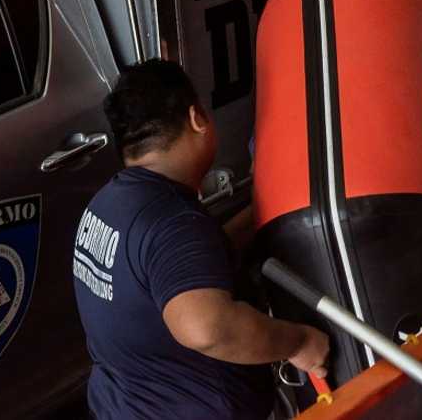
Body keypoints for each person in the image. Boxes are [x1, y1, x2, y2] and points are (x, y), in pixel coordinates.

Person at [72, 59, 329, 419]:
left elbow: (182, 268)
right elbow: (206, 329)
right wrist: (298, 342)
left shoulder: (107, 205)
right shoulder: (173, 222)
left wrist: (262, 210)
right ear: (197, 119)